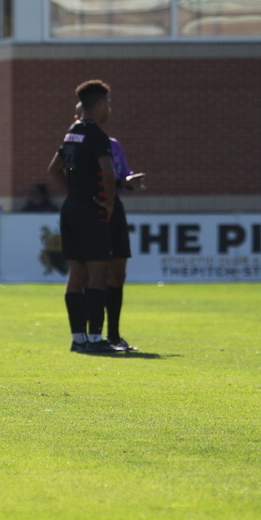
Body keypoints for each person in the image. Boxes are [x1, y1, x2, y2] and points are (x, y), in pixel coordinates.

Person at [47, 79, 117, 353]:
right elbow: (108, 172)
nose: (109, 108)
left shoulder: (71, 133)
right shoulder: (97, 135)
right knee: (99, 273)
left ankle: (78, 338)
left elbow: (53, 170)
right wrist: (108, 203)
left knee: (76, 272)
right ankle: (96, 339)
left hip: (71, 209)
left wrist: (72, 194)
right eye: (108, 103)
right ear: (99, 104)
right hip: (92, 211)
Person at [74, 102, 147, 352]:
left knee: (118, 272)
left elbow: (119, 174)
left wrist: (129, 181)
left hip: (114, 207)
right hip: (92, 209)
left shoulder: (112, 144)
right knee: (94, 274)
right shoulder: (78, 144)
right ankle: (88, 336)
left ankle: (114, 335)